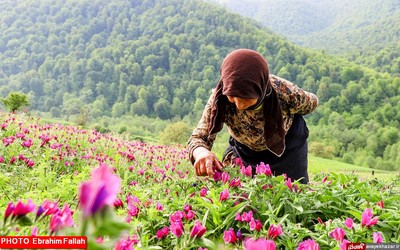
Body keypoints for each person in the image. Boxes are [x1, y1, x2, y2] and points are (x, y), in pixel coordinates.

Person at [187, 49, 318, 184]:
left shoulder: (285, 92)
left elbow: (312, 103)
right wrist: (201, 153)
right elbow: (198, 137)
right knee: (240, 196)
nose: (239, 105)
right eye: (232, 97)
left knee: (291, 195)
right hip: (244, 151)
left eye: (245, 97)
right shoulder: (220, 98)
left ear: (260, 89)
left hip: (286, 149)